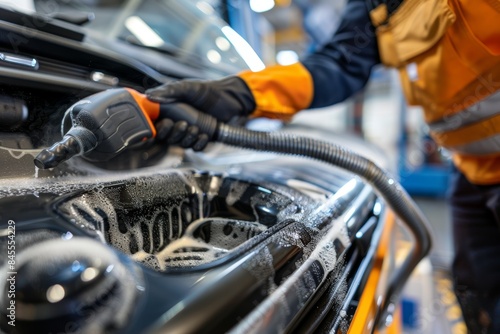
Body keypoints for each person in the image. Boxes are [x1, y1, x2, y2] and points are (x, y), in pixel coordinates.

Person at [146, 0, 500, 332]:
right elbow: (341, 62)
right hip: (471, 168)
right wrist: (240, 92)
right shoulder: (378, 5)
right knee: (476, 283)